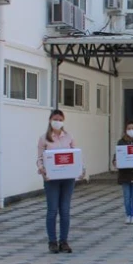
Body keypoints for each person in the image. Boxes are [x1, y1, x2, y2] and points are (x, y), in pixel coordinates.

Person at [36, 109, 84, 254]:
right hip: (52, 179)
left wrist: (81, 169)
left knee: (65, 210)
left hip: (68, 179)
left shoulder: (68, 136)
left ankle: (64, 241)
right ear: (50, 120)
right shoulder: (44, 138)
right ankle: (52, 242)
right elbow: (39, 158)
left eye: (60, 119)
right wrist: (42, 169)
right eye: (55, 118)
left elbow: (75, 155)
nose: (58, 121)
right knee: (52, 210)